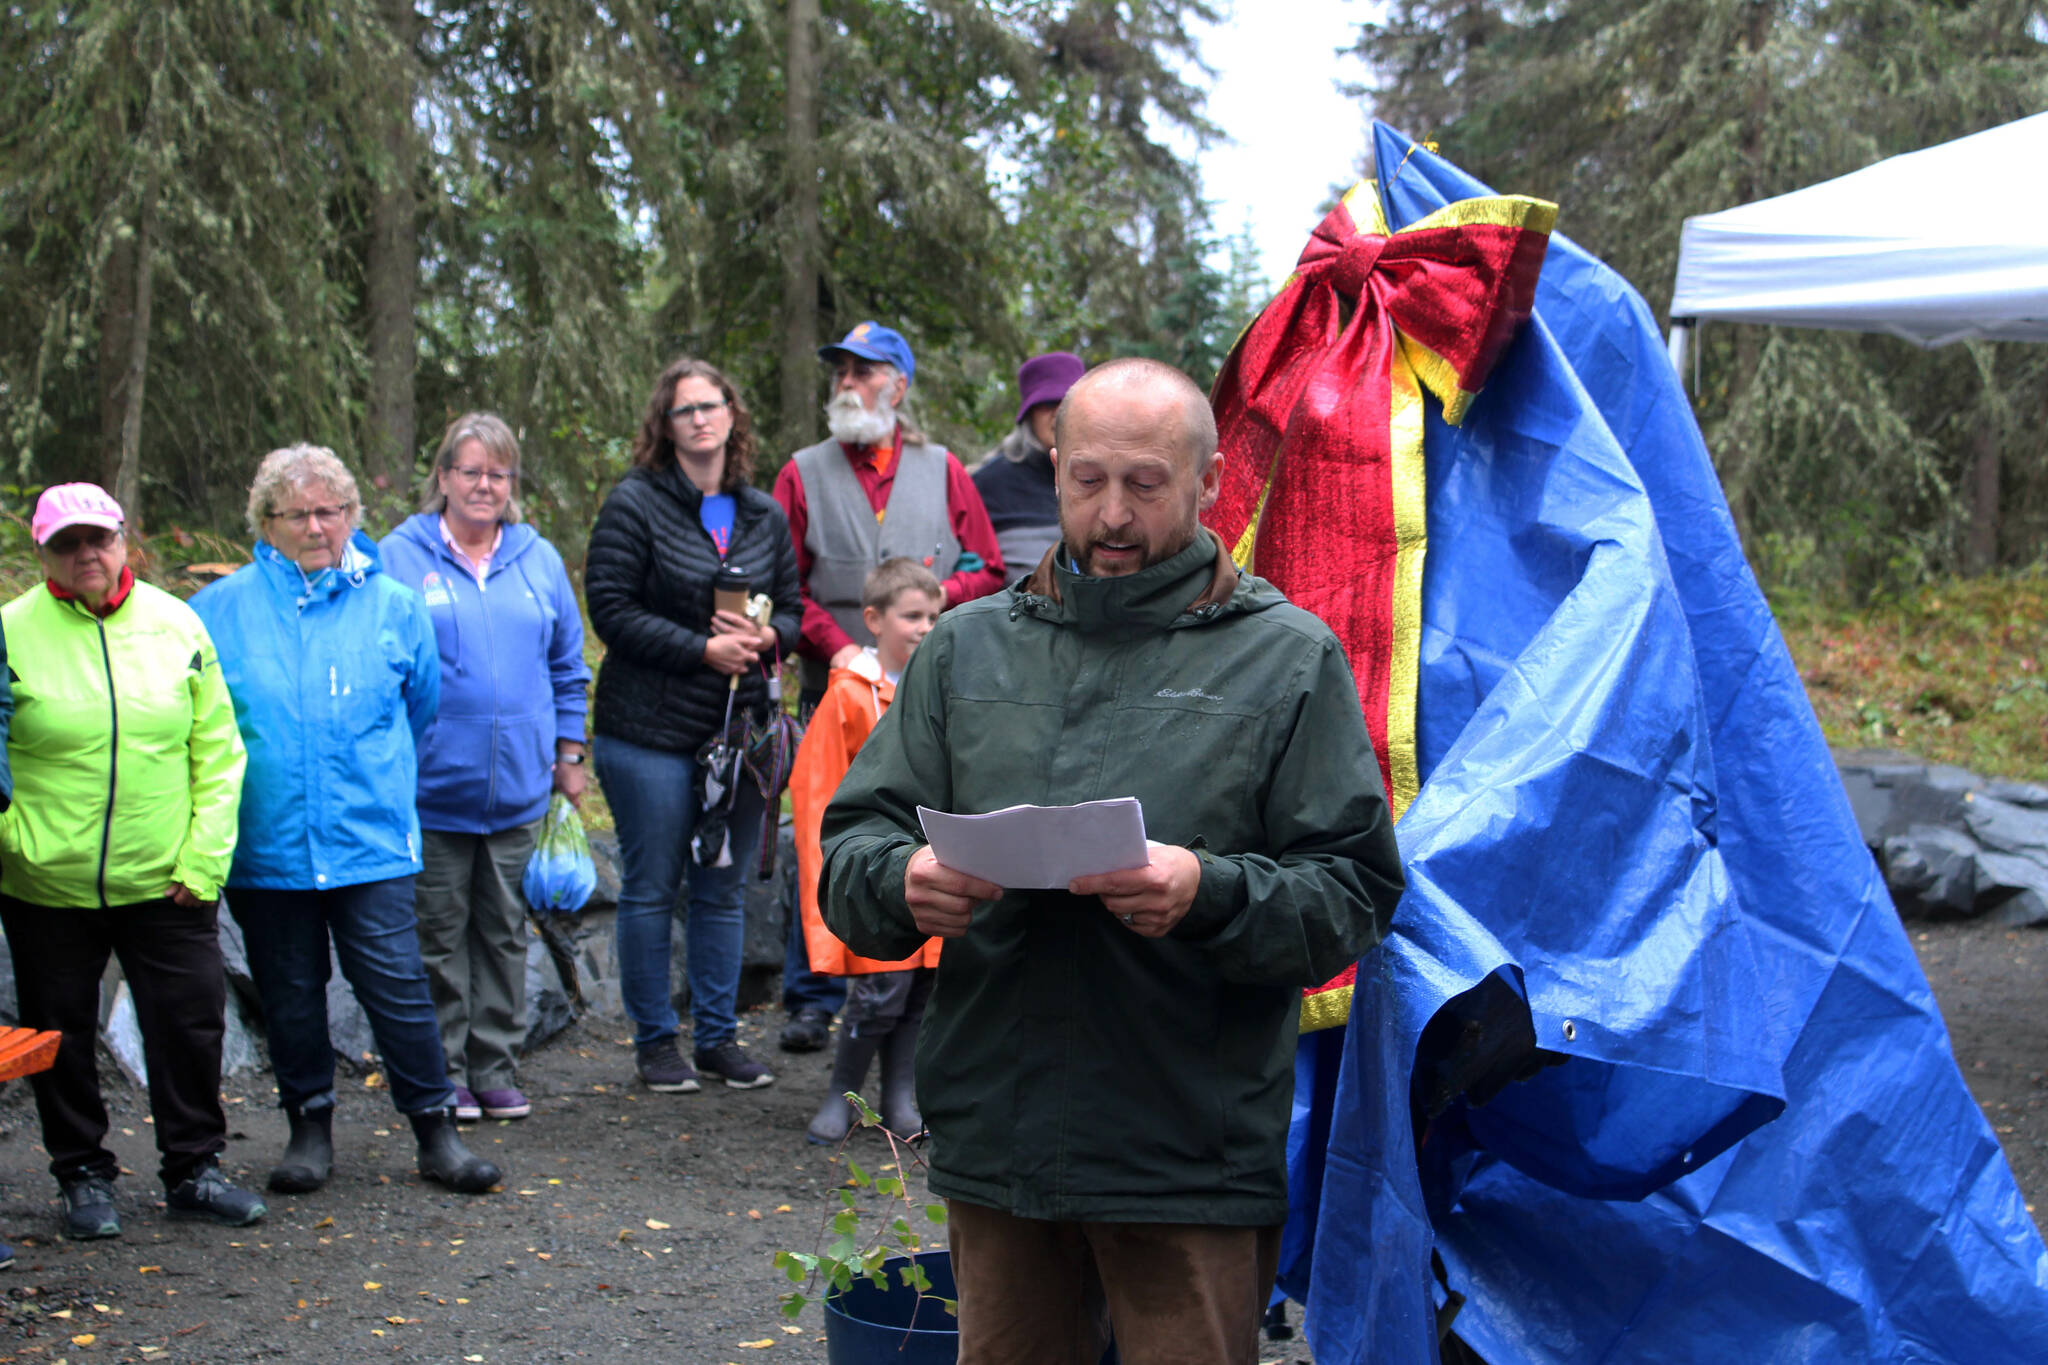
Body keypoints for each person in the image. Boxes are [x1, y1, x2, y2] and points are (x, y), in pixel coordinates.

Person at [820, 359, 1407, 1364]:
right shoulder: (967, 651)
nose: (1113, 513)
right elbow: (849, 851)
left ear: (1208, 482)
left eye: (1145, 483)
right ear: (1053, 471)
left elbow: (1349, 892)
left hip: (1185, 1148)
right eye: (1087, 480)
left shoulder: (1282, 656)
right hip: (1001, 1141)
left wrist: (1206, 890)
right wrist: (900, 881)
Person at [191, 445, 501, 1197]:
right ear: (264, 523)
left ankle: (436, 1130)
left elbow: (419, 706)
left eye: (330, 510)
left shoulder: (394, 604)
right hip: (268, 841)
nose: (315, 525)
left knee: (396, 984)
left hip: (370, 839)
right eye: (296, 512)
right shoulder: (217, 610)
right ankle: (308, 1127)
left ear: (352, 516)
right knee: (290, 990)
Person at [0, 483, 266, 1240]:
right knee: (60, 1034)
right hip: (46, 880)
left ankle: (195, 1168)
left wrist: (204, 857)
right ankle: (81, 1173)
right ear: (41, 552)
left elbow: (218, 749)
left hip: (167, 879)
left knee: (189, 1024)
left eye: (100, 538)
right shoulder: (10, 631)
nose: (87, 553)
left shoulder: (176, 622)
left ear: (125, 540)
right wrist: (15, 840)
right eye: (67, 542)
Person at [770, 320, 1005, 1054]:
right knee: (820, 836)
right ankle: (810, 997)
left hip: (925, 701)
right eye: (840, 368)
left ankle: (907, 1002)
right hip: (833, 692)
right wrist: (844, 649)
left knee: (912, 841)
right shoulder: (800, 471)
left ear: (897, 387)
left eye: (863, 370)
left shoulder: (946, 470)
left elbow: (990, 567)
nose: (846, 381)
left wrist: (934, 596)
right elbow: (784, 584)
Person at [585, 357, 801, 1094]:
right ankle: (655, 1042)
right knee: (650, 887)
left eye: (712, 405)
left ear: (733, 415)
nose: (701, 419)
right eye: (685, 410)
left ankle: (717, 1037)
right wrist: (700, 648)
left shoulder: (763, 514)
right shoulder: (636, 503)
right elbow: (610, 609)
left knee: (722, 887)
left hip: (737, 737)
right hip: (646, 731)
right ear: (665, 425)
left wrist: (770, 639)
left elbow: (795, 611)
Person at [380, 413, 591, 1124]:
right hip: (430, 788)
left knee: (503, 930)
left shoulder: (537, 558)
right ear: (441, 477)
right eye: (469, 470)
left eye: (497, 473)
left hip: (519, 790)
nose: (484, 485)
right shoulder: (399, 556)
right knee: (437, 932)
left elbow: (567, 666)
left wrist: (569, 753)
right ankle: (443, 1071)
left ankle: (495, 1064)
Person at [791, 558, 943, 1146]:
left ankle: (899, 1097)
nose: (926, 627)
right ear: (875, 620)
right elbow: (821, 784)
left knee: (920, 992)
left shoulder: (939, 689)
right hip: (880, 865)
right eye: (912, 616)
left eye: (934, 615)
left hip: (932, 862)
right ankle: (842, 1093)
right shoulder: (850, 696)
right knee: (879, 990)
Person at [971, 350, 1084, 579]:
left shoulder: (1113, 476)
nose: (1059, 413)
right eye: (1048, 404)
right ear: (1028, 414)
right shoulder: (988, 483)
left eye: (1068, 403)